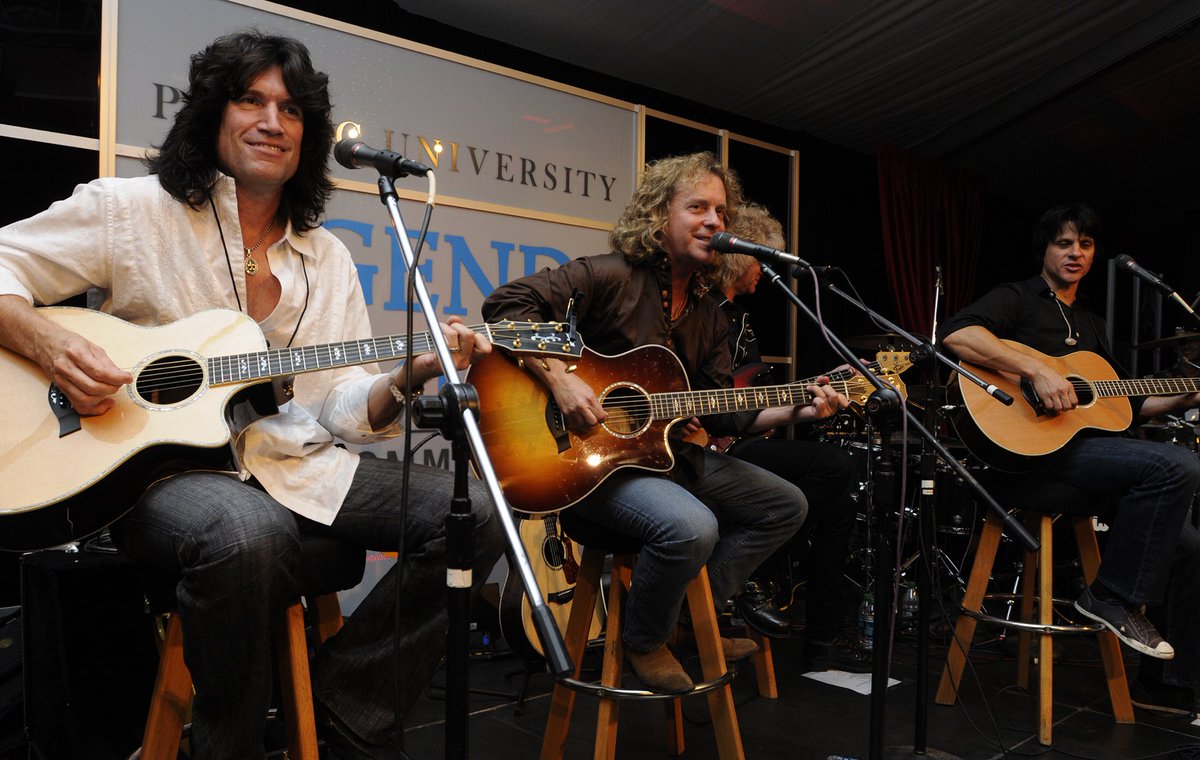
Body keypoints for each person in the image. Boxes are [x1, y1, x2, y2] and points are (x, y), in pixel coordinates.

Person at [0, 31, 504, 760]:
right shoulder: (130, 210)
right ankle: (225, 746)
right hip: (153, 476)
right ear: (212, 113)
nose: (273, 120)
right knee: (246, 533)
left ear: (310, 135)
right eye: (251, 99)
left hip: (294, 464)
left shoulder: (324, 255)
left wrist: (408, 375)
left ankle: (347, 703)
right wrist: (49, 344)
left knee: (478, 513)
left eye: (292, 109)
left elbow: (336, 405)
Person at [481, 151, 848, 693]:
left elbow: (734, 409)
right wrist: (560, 378)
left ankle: (686, 623)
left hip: (662, 457)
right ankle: (644, 641)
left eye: (721, 212)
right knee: (690, 527)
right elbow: (505, 306)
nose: (714, 221)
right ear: (659, 215)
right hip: (586, 464)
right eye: (697, 206)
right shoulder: (609, 275)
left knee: (784, 505)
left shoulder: (709, 313)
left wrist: (803, 406)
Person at [941, 202, 1200, 714]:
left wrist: (1188, 393)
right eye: (1064, 243)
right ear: (1045, 248)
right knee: (1180, 466)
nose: (1075, 252)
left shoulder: (1093, 324)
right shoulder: (1017, 298)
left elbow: (1124, 401)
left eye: (1084, 244)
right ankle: (1108, 596)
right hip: (1029, 457)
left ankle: (1172, 682)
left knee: (1191, 544)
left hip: (1086, 455)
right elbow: (957, 334)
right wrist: (1034, 370)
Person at [708, 203, 868, 671]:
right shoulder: (703, 313)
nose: (765, 272)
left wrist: (807, 400)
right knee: (833, 468)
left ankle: (820, 638)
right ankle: (747, 566)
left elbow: (756, 404)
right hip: (712, 441)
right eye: (761, 259)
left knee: (841, 502)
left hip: (741, 436)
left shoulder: (743, 322)